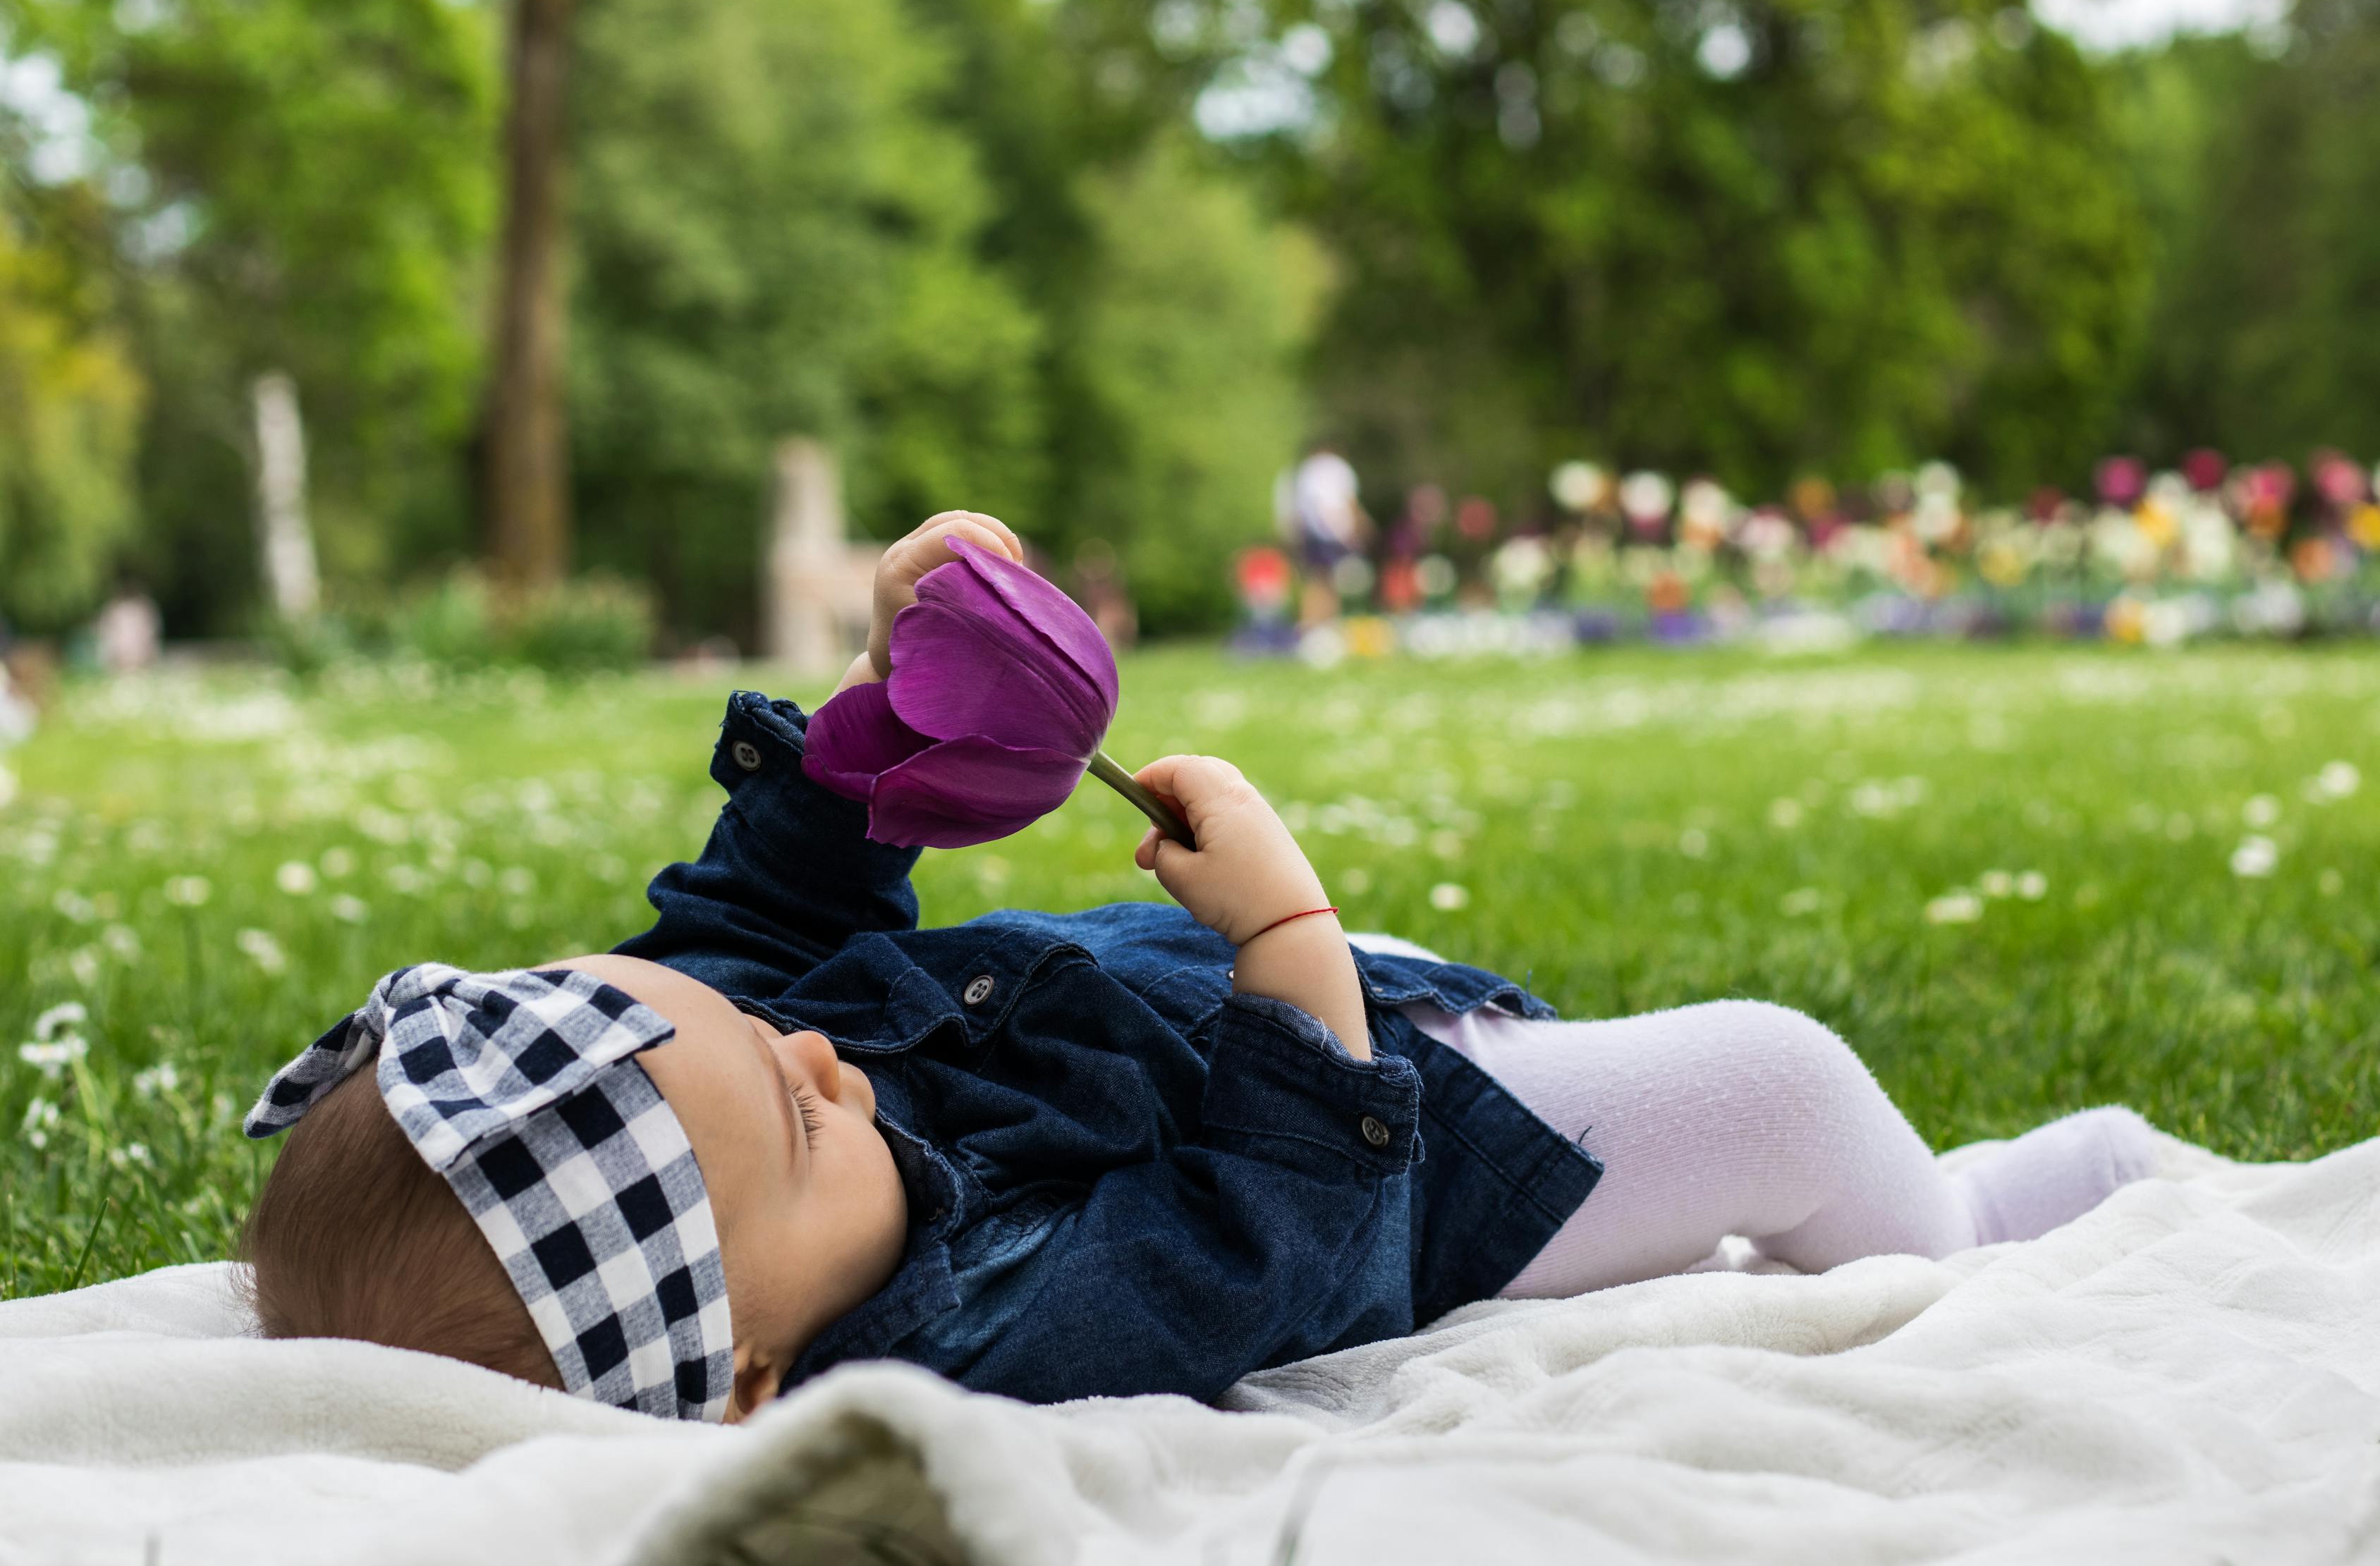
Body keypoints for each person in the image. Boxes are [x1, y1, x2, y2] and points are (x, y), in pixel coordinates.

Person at [237, 511, 2159, 1422]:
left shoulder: (744, 1100)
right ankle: (1963, 1257)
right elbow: (1273, 1234)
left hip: (1278, 995)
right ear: (744, 1373)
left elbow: (759, 933)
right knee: (1777, 1087)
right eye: (797, 1124)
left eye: (758, 1040)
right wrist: (1283, 938)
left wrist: (877, 718)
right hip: (1408, 1155)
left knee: (1751, 1125)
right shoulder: (980, 1336)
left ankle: (1942, 1206)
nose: (816, 1060)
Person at [1277, 444, 1371, 625]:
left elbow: (1296, 509)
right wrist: (1363, 526)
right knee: (1324, 581)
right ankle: (1315, 625)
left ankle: (1318, 625)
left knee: (1319, 580)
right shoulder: (1338, 468)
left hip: (1311, 534)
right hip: (1331, 533)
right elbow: (1349, 502)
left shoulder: (1303, 471)